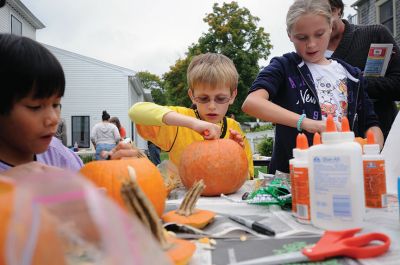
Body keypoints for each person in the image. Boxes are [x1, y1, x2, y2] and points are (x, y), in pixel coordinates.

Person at [241, 0, 383, 174]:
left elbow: (372, 124)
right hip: (294, 177)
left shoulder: (352, 75)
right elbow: (251, 103)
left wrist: (370, 149)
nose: (312, 44)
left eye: (319, 34)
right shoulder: (284, 67)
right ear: (289, 35)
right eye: (302, 37)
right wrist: (309, 123)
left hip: (344, 174)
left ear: (331, 27)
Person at [0, 34, 141, 178]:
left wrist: (112, 168)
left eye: (56, 104)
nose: (53, 119)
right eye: (35, 107)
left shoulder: (59, 156)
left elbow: (86, 192)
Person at [129, 53, 254, 178]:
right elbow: (136, 111)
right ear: (192, 96)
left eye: (220, 98)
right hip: (183, 196)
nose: (212, 106)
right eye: (203, 98)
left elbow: (247, 178)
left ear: (232, 96)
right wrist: (193, 123)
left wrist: (235, 156)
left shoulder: (235, 129)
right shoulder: (180, 122)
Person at [327, 0, 400, 140]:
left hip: (383, 138)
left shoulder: (374, 35)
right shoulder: (308, 54)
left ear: (338, 10)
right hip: (334, 144)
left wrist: (356, 83)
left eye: (327, 13)